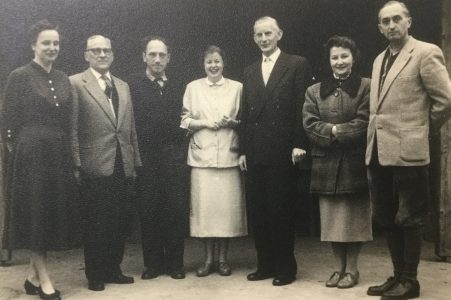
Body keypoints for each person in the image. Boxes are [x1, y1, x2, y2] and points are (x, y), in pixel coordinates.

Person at [366, 1, 451, 299]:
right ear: (379, 27)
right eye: (385, 21)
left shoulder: (426, 52)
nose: (391, 25)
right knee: (387, 216)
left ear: (409, 21)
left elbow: (445, 100)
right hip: (379, 150)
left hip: (410, 151)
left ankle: (411, 281)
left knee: (410, 216)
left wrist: (420, 130)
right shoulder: (379, 60)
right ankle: (398, 275)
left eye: (396, 19)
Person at [1, 19, 78, 300]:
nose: (52, 47)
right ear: (33, 45)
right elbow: (7, 121)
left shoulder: (62, 77)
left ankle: (32, 278)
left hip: (57, 153)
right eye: (46, 43)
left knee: (48, 214)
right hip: (31, 154)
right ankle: (45, 280)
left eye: (56, 43)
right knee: (36, 215)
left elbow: (67, 119)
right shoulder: (19, 76)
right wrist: (20, 152)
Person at [239, 16, 312, 286]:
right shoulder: (249, 70)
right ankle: (265, 265)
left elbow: (301, 107)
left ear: (279, 34)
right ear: (254, 38)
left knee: (280, 210)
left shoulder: (296, 64)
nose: (263, 39)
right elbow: (246, 113)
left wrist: (299, 143)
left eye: (268, 33)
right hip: (256, 150)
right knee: (258, 211)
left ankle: (285, 268)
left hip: (283, 150)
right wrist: (243, 150)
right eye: (258, 35)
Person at [70, 35, 141, 292]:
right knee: (96, 221)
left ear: (112, 55)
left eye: (106, 51)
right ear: (86, 55)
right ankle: (95, 273)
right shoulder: (76, 83)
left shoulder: (122, 85)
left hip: (122, 162)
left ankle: (114, 269)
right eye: (96, 50)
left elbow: (130, 128)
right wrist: (76, 164)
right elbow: (73, 127)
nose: (102, 55)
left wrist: (135, 162)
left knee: (119, 220)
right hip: (94, 164)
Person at [303, 35, 372, 289]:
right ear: (329, 60)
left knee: (354, 220)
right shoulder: (314, 91)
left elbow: (365, 122)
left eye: (344, 56)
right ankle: (337, 268)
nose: (340, 61)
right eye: (335, 57)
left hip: (354, 162)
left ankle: (352, 269)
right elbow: (309, 124)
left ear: (353, 58)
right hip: (326, 163)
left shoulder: (367, 86)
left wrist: (334, 132)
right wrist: (333, 132)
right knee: (332, 220)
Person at [181, 45, 247, 277]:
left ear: (223, 62)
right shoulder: (193, 87)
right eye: (209, 61)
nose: (213, 65)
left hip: (229, 156)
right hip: (202, 158)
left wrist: (232, 122)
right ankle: (208, 260)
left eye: (217, 61)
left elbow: (245, 120)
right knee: (205, 213)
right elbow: (184, 120)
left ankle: (223, 260)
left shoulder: (237, 88)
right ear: (203, 64)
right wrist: (206, 123)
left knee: (225, 214)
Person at [130, 36, 189, 280]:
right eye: (152, 54)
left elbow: (186, 118)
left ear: (168, 58)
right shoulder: (132, 86)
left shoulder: (179, 85)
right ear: (144, 56)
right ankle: (153, 264)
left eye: (161, 55)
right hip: (146, 158)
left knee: (175, 210)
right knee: (149, 210)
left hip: (173, 158)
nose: (157, 59)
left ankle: (175, 264)